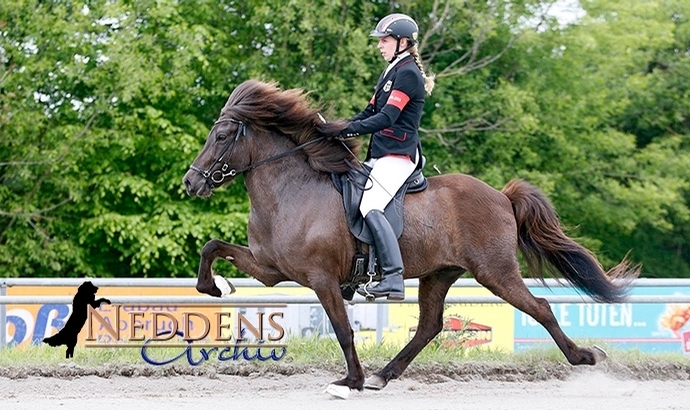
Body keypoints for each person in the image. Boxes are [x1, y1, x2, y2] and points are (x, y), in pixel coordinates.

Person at [340, 13, 435, 301]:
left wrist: (350, 130)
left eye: (385, 40)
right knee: (348, 195)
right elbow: (369, 112)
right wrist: (337, 128)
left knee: (370, 205)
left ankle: (393, 277)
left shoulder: (407, 74)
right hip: (381, 154)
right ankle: (354, 272)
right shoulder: (391, 71)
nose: (380, 46)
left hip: (398, 155)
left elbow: (387, 117)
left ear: (403, 42)